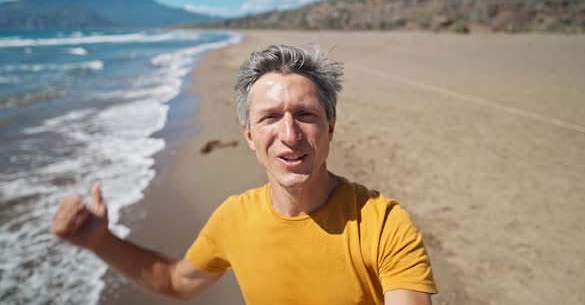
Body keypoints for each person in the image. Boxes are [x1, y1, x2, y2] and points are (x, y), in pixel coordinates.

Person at [52, 44, 437, 304]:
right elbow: (175, 280)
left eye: (305, 115)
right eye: (270, 118)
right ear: (250, 136)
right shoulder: (234, 218)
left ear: (330, 128)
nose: (289, 135)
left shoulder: (383, 224)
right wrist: (100, 241)